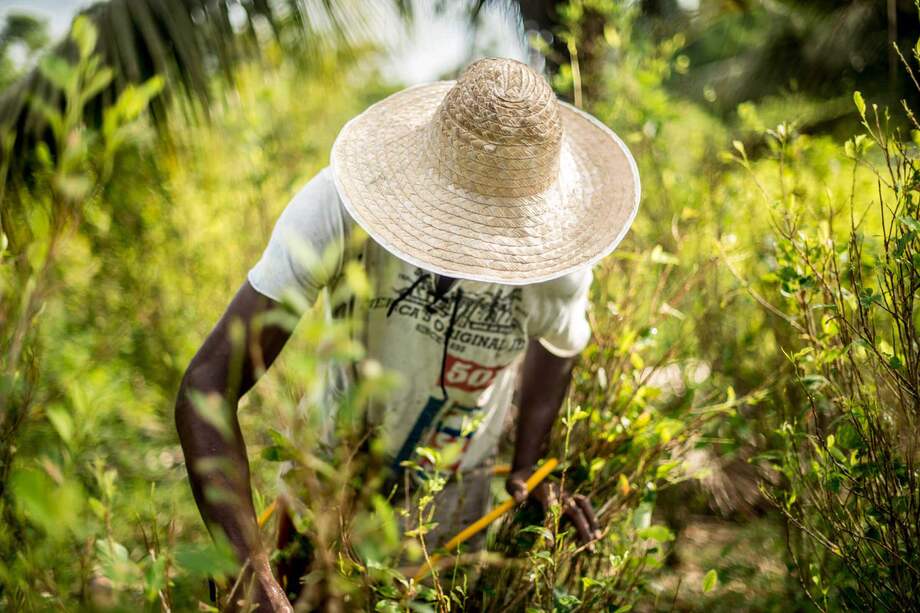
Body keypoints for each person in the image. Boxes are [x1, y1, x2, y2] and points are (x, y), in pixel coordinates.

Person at [174, 57, 640, 611]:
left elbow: (561, 343)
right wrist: (250, 572)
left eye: (493, 234)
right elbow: (206, 385)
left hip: (452, 510)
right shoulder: (338, 207)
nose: (469, 252)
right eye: (455, 223)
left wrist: (528, 467)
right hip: (328, 486)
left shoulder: (558, 258)